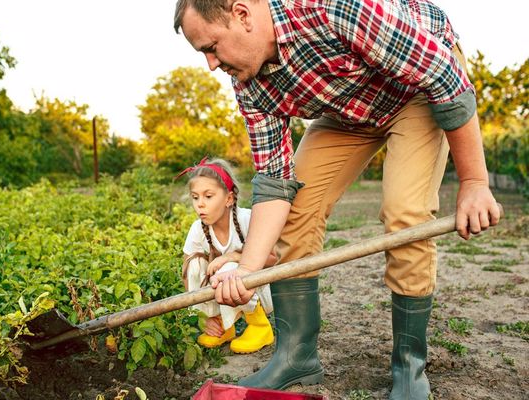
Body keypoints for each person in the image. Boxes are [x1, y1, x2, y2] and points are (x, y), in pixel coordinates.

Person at [173, 0, 501, 398]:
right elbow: (276, 182)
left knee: (406, 213)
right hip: (351, 110)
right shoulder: (249, 82)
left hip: (417, 90)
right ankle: (296, 357)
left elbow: (443, 78)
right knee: (296, 211)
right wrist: (249, 270)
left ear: (242, 15)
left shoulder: (332, 7)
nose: (210, 64)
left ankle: (409, 366)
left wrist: (474, 182)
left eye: (211, 47)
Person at [178, 156, 276, 354]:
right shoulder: (198, 228)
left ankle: (259, 326)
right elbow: (187, 274)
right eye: (195, 197)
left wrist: (231, 257)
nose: (200, 204)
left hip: (265, 291)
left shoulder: (248, 218)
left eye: (208, 196)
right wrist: (204, 318)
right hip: (225, 291)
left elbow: (273, 258)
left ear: (228, 199)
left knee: (229, 270)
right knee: (194, 264)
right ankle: (222, 324)